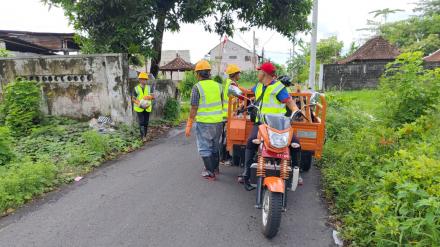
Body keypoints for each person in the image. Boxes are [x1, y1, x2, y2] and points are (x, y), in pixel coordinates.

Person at [242, 62, 301, 191]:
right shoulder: (258, 86)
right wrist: (235, 89)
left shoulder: (278, 88)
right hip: (261, 124)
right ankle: (246, 174)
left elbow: (289, 102)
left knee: (295, 143)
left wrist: (296, 110)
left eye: (259, 71)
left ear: (264, 73)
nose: (258, 73)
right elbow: (248, 92)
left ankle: (297, 173)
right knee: (250, 142)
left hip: (278, 125)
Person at [185, 60, 223, 180]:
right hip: (218, 122)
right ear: (209, 73)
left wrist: (189, 123)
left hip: (204, 122)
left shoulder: (197, 87)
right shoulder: (218, 86)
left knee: (204, 147)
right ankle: (215, 168)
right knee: (215, 145)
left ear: (198, 74)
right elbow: (221, 103)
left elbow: (194, 107)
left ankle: (210, 172)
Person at [220, 64, 246, 166]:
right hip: (227, 115)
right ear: (235, 74)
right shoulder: (232, 84)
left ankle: (225, 157)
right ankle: (223, 158)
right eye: (239, 73)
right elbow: (241, 94)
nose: (240, 75)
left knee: (226, 137)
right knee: (226, 137)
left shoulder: (231, 83)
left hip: (229, 114)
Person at [132, 72, 154, 142]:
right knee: (141, 122)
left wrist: (148, 97)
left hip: (147, 107)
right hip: (139, 108)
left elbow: (153, 97)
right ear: (139, 80)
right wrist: (140, 104)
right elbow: (133, 99)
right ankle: (143, 137)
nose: (144, 80)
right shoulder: (136, 88)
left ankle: (145, 135)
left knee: (146, 122)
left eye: (145, 79)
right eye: (142, 79)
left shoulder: (149, 88)